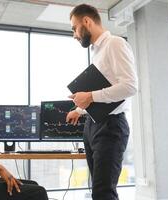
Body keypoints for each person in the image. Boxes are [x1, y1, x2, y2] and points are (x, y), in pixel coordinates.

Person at [66, 4, 138, 200]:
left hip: (111, 128)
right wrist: (80, 110)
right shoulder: (96, 52)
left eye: (74, 28)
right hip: (93, 126)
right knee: (97, 192)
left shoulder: (115, 43)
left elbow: (130, 86)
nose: (74, 35)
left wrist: (89, 96)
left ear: (87, 22)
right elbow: (104, 92)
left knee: (103, 193)